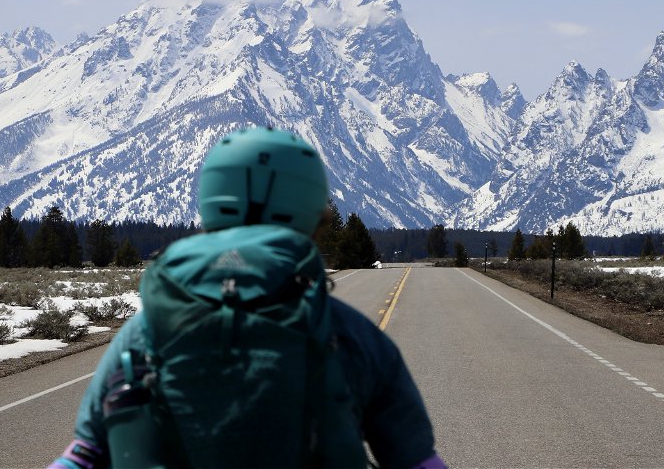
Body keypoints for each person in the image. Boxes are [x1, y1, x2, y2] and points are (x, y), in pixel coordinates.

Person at [50, 126, 443, 469]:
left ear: (210, 207)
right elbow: (417, 460)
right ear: (315, 218)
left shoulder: (148, 329)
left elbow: (83, 455)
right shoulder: (351, 335)